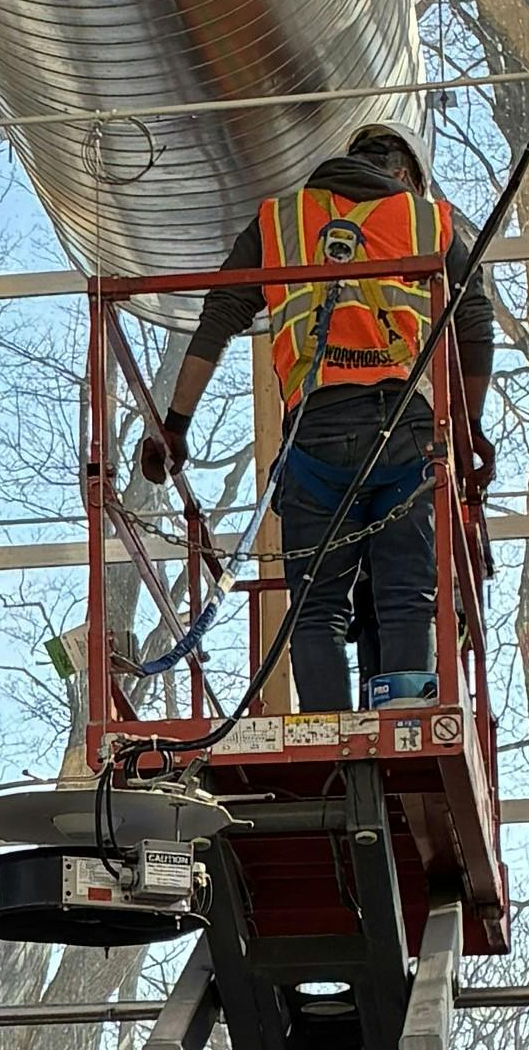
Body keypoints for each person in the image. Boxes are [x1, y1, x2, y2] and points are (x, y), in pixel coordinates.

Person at [140, 121, 492, 712]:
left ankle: (327, 734)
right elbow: (475, 324)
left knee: (316, 608)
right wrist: (469, 431)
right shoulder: (431, 221)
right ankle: (404, 723)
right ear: (406, 173)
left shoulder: (280, 221)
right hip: (405, 433)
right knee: (407, 597)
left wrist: (175, 424)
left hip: (315, 435)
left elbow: (220, 315)